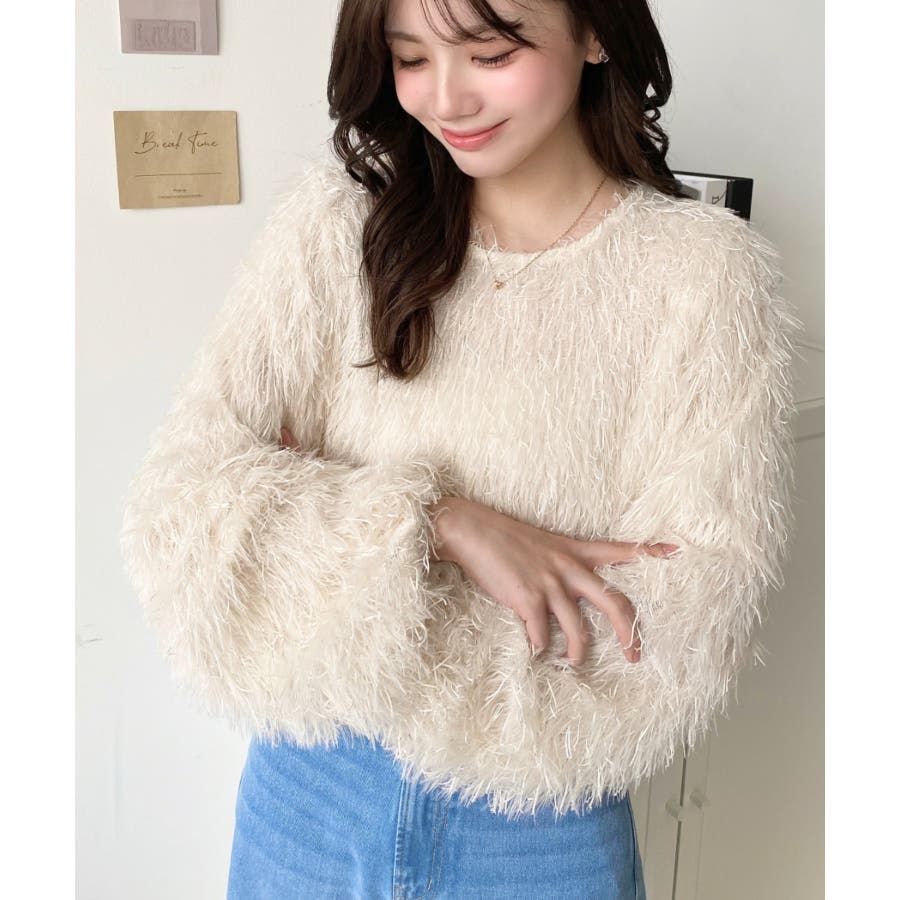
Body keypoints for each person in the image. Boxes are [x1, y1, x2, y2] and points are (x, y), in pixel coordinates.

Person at [118, 0, 802, 897]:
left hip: (540, 818)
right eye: (410, 58)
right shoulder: (340, 227)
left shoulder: (700, 275)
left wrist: (329, 548)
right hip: (314, 785)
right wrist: (435, 522)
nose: (446, 99)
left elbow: (694, 600)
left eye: (488, 52)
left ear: (596, 31)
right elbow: (181, 506)